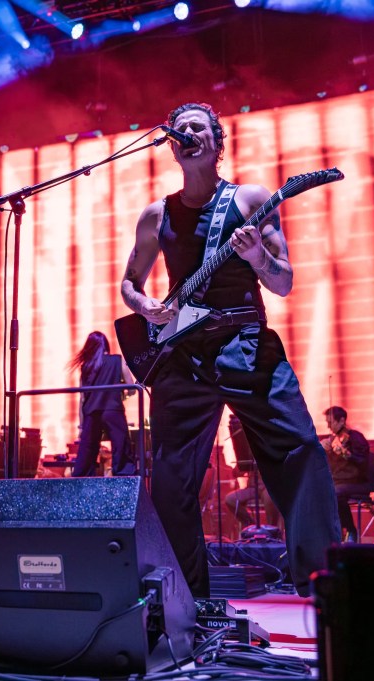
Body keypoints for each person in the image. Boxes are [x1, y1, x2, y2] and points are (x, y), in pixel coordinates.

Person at [119, 102, 340, 598]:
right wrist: (149, 305)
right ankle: (184, 599)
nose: (186, 133)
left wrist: (257, 256)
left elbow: (282, 283)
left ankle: (324, 582)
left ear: (217, 143)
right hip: (184, 355)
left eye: (197, 127)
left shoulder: (251, 200)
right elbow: (129, 284)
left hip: (245, 344)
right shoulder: (157, 214)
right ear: (171, 146)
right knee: (171, 483)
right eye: (180, 130)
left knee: (302, 450)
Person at [67, 331, 137, 477]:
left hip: (91, 412)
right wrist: (121, 395)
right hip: (113, 409)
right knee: (121, 445)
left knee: (87, 450)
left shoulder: (86, 366)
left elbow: (82, 399)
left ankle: (82, 480)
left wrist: (81, 426)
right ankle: (124, 477)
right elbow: (132, 388)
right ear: (107, 344)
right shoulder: (117, 360)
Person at [321, 406, 372, 543]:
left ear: (342, 420)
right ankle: (327, 532)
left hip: (358, 482)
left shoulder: (356, 438)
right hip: (339, 481)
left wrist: (345, 453)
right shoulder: (333, 439)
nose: (328, 426)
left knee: (336, 492)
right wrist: (322, 449)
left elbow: (362, 462)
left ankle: (350, 530)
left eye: (330, 422)